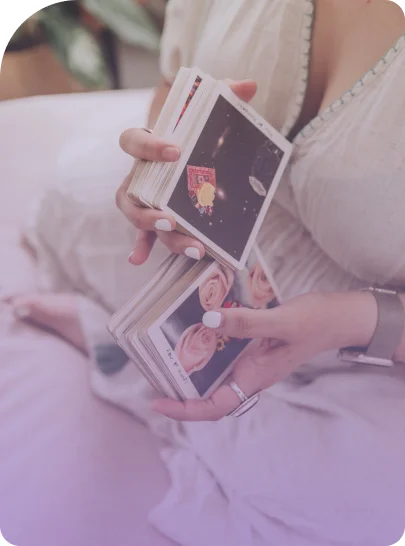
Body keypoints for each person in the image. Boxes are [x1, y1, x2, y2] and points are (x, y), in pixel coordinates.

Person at [5, 0, 405, 544]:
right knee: (70, 198)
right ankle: (144, 357)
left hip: (375, 336)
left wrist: (356, 322)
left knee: (365, 501)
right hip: (209, 252)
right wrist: (153, 173)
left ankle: (124, 365)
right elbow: (174, 85)